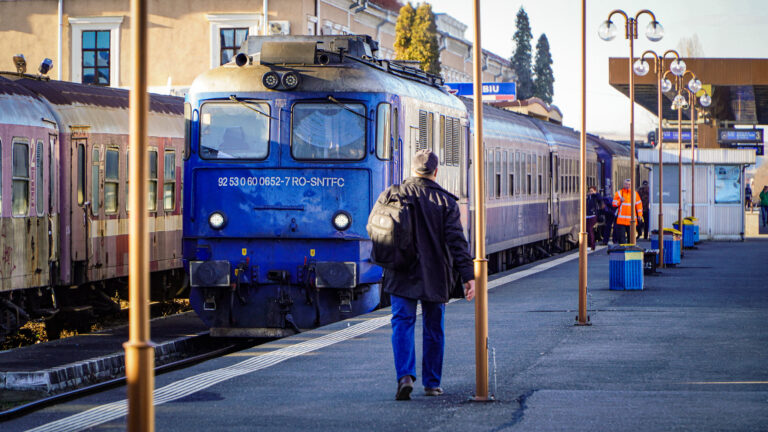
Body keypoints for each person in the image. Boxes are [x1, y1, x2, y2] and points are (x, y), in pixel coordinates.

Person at [376, 149, 476, 401]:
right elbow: (457, 243)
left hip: (400, 272)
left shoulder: (392, 194)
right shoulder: (446, 202)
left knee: (402, 323)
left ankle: (405, 377)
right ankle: (432, 383)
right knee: (433, 328)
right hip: (435, 275)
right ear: (436, 172)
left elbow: (376, 229)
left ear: (412, 170)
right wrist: (468, 276)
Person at [612, 179, 644, 245]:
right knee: (621, 239)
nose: (628, 186)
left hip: (631, 221)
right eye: (626, 184)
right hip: (621, 221)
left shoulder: (635, 194)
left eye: (629, 184)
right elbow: (614, 203)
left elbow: (639, 205)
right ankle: (622, 252)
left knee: (631, 239)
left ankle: (630, 252)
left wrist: (640, 215)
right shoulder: (619, 193)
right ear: (624, 184)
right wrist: (619, 201)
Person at [586, 186, 602, 250]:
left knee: (590, 230)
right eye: (590, 191)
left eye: (592, 191)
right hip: (587, 215)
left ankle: (592, 246)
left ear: (595, 191)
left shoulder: (595, 197)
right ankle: (589, 245)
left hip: (593, 215)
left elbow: (600, 198)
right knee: (587, 230)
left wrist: (595, 194)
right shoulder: (588, 198)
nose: (591, 192)